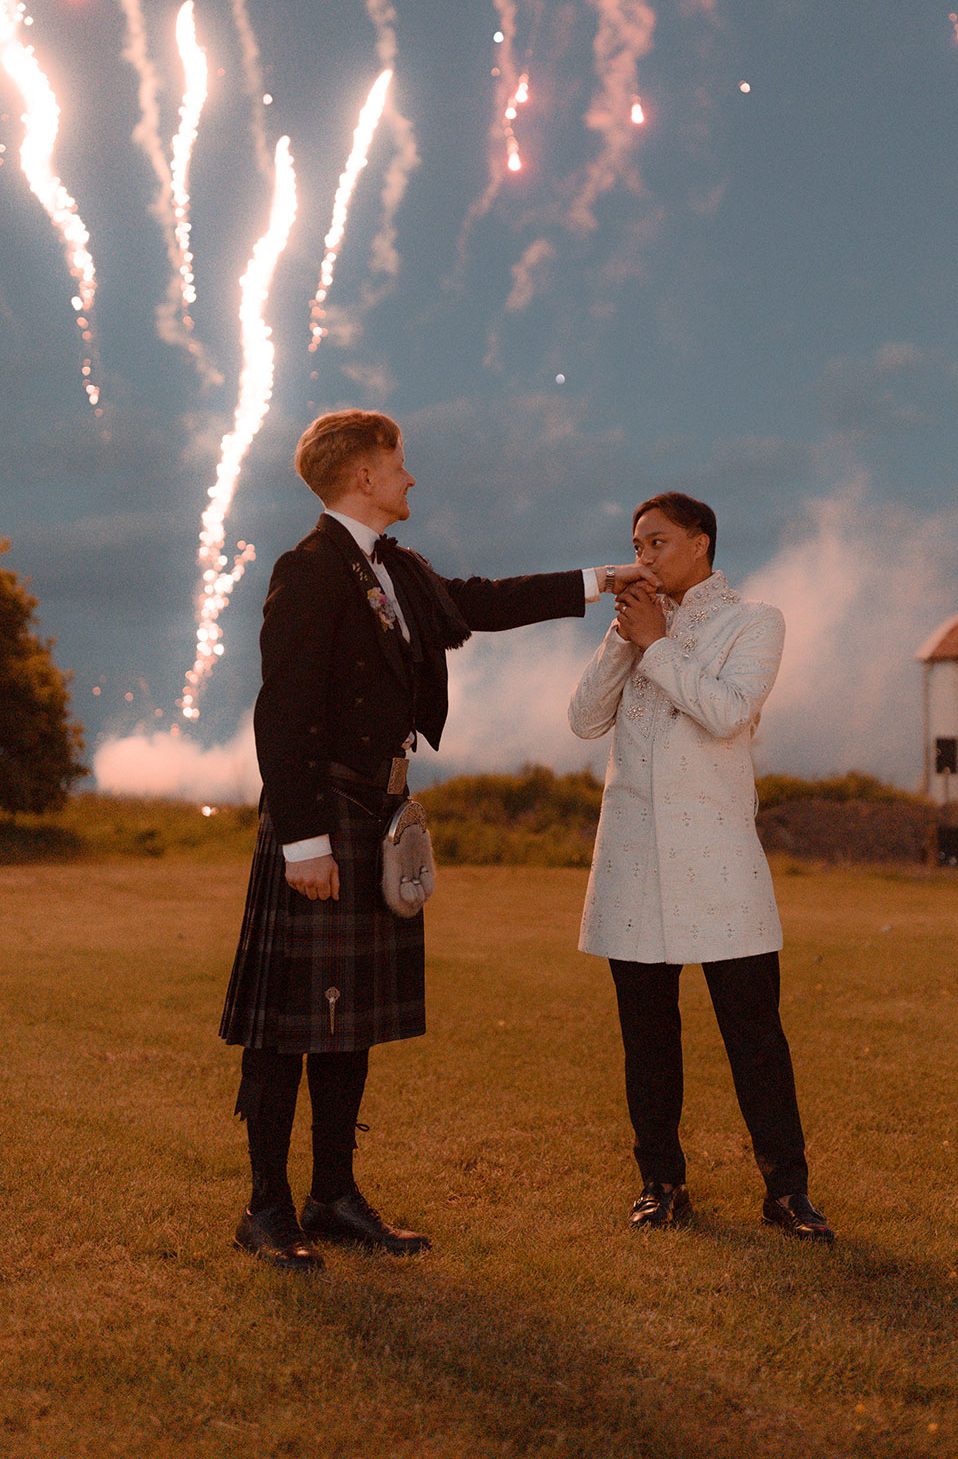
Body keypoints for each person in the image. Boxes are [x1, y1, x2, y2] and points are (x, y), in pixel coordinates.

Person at [220, 409, 652, 1269]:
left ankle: (334, 1195)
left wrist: (601, 579)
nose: (412, 478)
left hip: (378, 815)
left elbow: (481, 604)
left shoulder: (399, 570)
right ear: (363, 477)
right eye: (399, 463)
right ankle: (267, 1210)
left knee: (349, 1025)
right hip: (325, 816)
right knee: (289, 1026)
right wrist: (302, 841)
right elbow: (284, 709)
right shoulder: (308, 571)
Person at [568, 492, 834, 1241]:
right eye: (636, 544)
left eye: (656, 543)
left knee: (755, 1036)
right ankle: (659, 1182)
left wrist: (658, 643)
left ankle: (787, 1193)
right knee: (646, 1036)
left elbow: (724, 713)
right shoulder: (635, 626)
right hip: (631, 865)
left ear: (701, 544)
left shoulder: (755, 622)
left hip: (718, 864)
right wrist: (629, 639)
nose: (642, 557)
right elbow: (584, 719)